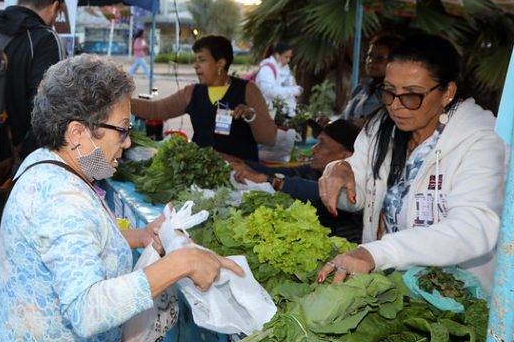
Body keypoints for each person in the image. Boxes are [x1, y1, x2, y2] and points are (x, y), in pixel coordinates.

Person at [0, 54, 243, 342]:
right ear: (78, 133)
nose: (128, 142)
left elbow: (70, 244)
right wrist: (183, 263)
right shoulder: (61, 198)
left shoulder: (49, 162)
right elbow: (88, 309)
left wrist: (140, 236)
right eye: (122, 130)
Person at [317, 34, 505, 291]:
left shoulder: (481, 141)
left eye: (412, 95)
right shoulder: (380, 128)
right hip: (392, 289)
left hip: (460, 298)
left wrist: (377, 253)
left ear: (447, 93)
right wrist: (338, 171)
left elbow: (473, 229)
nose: (396, 106)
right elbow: (358, 195)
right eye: (390, 92)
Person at [0, 0, 67, 342]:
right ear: (54, 7)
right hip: (16, 173)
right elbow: (48, 113)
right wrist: (23, 171)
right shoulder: (41, 39)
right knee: (24, 268)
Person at [131, 35, 276, 161]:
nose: (195, 66)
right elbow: (157, 109)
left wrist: (251, 116)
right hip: (203, 173)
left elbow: (268, 137)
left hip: (241, 175)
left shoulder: (248, 90)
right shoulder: (192, 92)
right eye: (195, 60)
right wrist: (121, 103)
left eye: (202, 60)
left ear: (220, 63)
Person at [232, 119, 362, 241]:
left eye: (322, 144)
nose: (313, 148)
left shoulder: (355, 184)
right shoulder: (314, 170)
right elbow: (280, 173)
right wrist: (240, 163)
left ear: (346, 155)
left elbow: (317, 191)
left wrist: (271, 181)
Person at [341, 33, 401, 126]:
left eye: (379, 58)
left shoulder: (398, 97)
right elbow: (344, 120)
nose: (370, 61)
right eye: (369, 56)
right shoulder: (360, 89)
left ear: (396, 62)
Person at [255, 42, 302, 116]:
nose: (288, 60)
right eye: (286, 57)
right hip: (271, 115)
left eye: (290, 57)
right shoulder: (266, 69)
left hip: (287, 114)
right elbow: (269, 91)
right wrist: (294, 90)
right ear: (277, 55)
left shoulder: (285, 68)